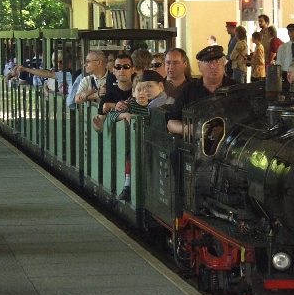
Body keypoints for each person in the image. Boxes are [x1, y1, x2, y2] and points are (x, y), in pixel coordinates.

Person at [109, 71, 174, 201]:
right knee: (131, 153)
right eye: (139, 90)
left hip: (152, 142)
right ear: (133, 92)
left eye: (147, 88)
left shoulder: (156, 105)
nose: (143, 93)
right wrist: (125, 115)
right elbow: (112, 116)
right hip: (135, 143)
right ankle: (128, 184)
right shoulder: (130, 105)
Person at [167, 45, 237, 135]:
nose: (213, 66)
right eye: (208, 62)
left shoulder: (236, 89)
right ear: (199, 66)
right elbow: (171, 123)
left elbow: (249, 122)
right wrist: (192, 129)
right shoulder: (189, 91)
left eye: (217, 61)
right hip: (195, 146)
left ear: (224, 64)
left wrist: (225, 131)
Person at [93, 53, 135, 133]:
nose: (122, 70)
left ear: (132, 70)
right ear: (114, 71)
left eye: (126, 67)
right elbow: (99, 123)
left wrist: (112, 105)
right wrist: (98, 126)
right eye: (118, 67)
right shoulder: (108, 97)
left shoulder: (140, 91)